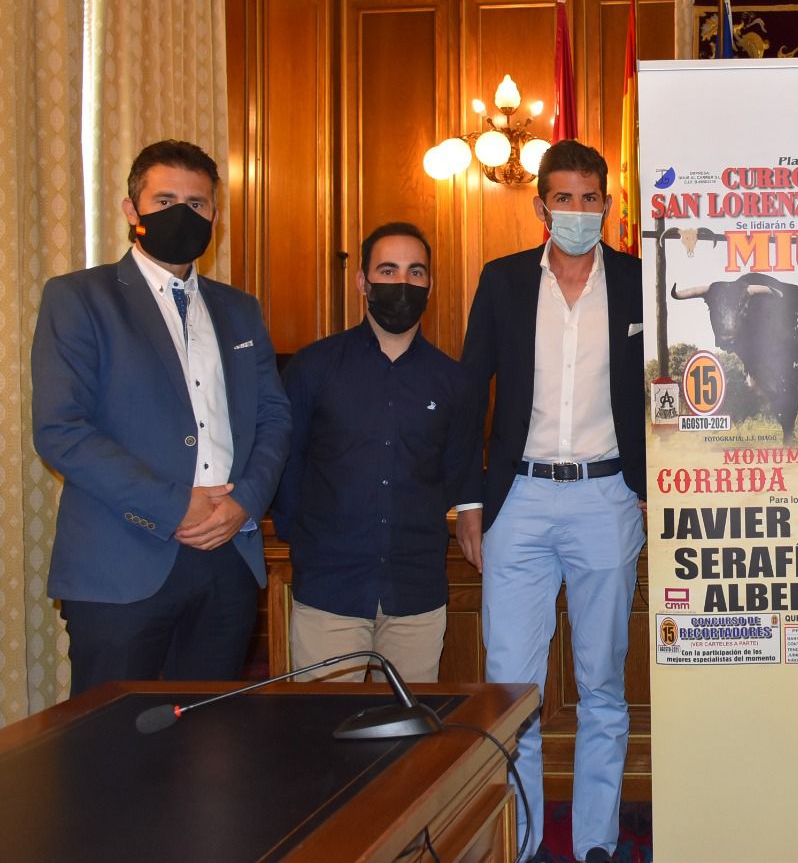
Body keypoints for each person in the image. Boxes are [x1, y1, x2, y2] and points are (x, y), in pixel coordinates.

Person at [32, 139, 291, 695]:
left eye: (196, 204)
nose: (183, 214)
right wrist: (175, 506)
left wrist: (245, 501)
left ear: (215, 217)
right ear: (132, 210)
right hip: (120, 563)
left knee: (214, 737)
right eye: (165, 200)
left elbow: (274, 417)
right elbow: (61, 430)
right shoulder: (80, 298)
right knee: (108, 740)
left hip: (227, 561)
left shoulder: (240, 309)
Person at [459, 139, 646, 863]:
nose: (577, 210)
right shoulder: (503, 280)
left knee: (603, 684)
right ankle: (525, 839)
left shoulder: (636, 280)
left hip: (608, 497)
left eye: (589, 198)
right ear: (541, 207)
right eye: (563, 198)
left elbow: (666, 388)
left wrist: (652, 490)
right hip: (520, 501)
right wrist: (468, 504)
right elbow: (471, 393)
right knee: (512, 688)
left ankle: (596, 840)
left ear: (607, 204)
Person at [273, 222, 480, 685]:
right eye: (388, 271)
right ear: (362, 282)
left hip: (416, 591)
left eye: (415, 272)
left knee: (408, 728)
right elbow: (287, 463)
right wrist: (304, 541)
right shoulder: (313, 368)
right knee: (324, 725)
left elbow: (461, 472)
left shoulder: (454, 382)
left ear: (430, 285)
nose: (402, 283)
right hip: (330, 588)